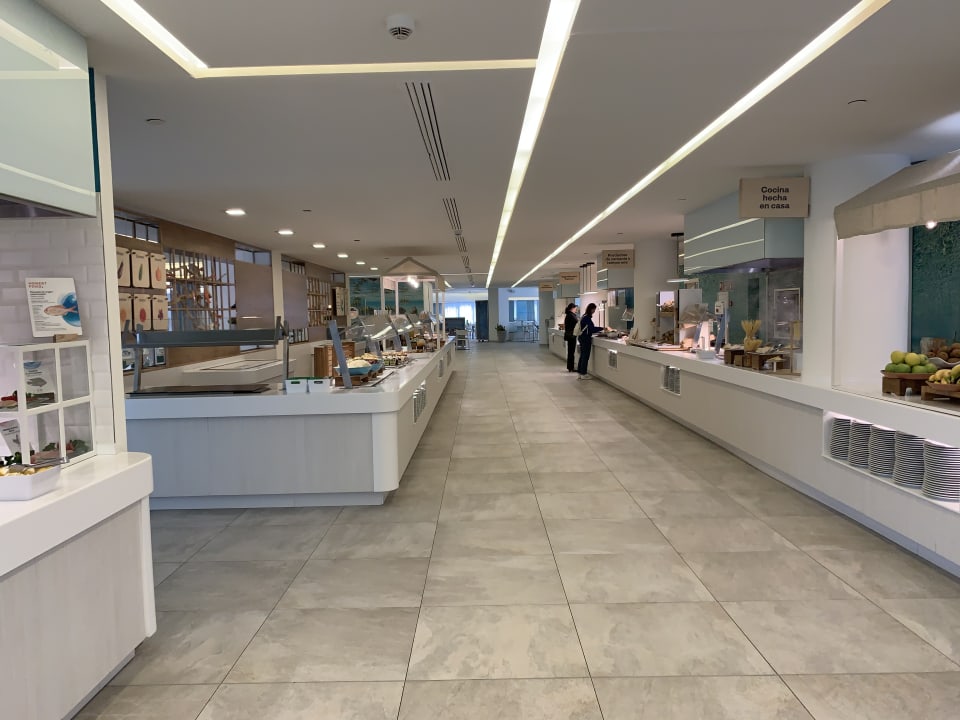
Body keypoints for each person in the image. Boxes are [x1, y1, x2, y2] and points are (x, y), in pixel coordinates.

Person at [576, 302, 607, 379]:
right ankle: (583, 374)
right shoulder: (587, 318)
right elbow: (592, 329)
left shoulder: (584, 316)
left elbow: (589, 328)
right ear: (592, 309)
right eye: (594, 310)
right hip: (585, 338)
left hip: (581, 337)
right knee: (585, 356)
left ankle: (580, 373)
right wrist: (602, 328)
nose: (594, 311)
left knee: (582, 355)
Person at [562, 303, 579, 372]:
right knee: (571, 352)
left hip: (569, 335)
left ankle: (570, 367)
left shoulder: (568, 315)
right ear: (572, 308)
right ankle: (571, 367)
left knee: (570, 351)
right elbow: (578, 323)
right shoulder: (571, 315)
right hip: (572, 336)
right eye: (575, 309)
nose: (576, 310)